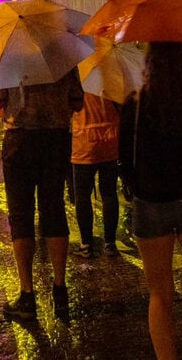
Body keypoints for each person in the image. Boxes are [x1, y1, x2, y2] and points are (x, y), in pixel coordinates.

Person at [118, 42, 182, 360]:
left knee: (159, 295)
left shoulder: (133, 104)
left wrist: (134, 188)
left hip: (149, 203)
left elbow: (124, 159)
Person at [0, 68, 84, 321]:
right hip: (56, 139)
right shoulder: (61, 57)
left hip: (19, 141)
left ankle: (27, 294)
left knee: (21, 216)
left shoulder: (10, 57)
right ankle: (60, 289)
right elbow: (77, 102)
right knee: (54, 209)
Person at [70, 92, 121, 258]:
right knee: (109, 192)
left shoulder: (78, 76)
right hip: (110, 137)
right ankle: (110, 243)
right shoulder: (109, 71)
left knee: (82, 195)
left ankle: (86, 244)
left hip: (84, 140)